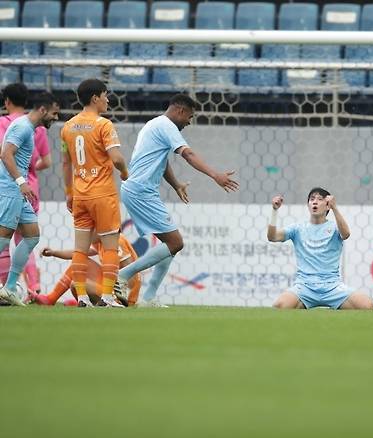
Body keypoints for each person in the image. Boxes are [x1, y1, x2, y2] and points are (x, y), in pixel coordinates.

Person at [113, 94, 239, 307]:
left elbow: (161, 161)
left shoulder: (154, 125)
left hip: (140, 190)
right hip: (140, 190)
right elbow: (188, 155)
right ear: (180, 111)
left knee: (170, 244)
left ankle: (149, 298)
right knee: (176, 242)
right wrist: (215, 175)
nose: (189, 122)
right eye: (190, 116)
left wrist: (176, 184)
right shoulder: (167, 126)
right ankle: (125, 274)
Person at [60, 78, 129, 307]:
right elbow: (117, 158)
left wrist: (69, 193)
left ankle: (81, 297)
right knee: (110, 246)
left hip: (80, 195)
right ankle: (108, 297)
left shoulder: (67, 127)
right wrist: (125, 173)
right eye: (105, 95)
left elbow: (65, 163)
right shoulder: (104, 125)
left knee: (80, 248)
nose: (108, 99)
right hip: (103, 194)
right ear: (95, 98)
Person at [267, 187, 373, 310]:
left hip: (333, 287)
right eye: (312, 199)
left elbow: (346, 234)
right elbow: (272, 237)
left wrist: (335, 208)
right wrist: (274, 211)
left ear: (327, 205)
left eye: (320, 199)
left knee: (368, 306)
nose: (315, 201)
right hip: (305, 287)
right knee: (279, 306)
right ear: (308, 205)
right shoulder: (297, 228)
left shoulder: (335, 227)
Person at [0, 92, 59, 306]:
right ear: (42, 110)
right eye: (54, 113)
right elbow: (6, 154)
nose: (55, 117)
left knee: (32, 235)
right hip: (10, 189)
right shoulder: (22, 127)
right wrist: (20, 182)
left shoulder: (30, 129)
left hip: (19, 190)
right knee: (4, 237)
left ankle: (8, 288)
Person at [31, 233, 141, 306]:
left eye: (89, 227)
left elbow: (132, 279)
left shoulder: (117, 241)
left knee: (76, 284)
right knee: (80, 261)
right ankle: (52, 298)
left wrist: (117, 291)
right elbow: (78, 253)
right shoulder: (101, 241)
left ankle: (103, 302)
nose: (85, 231)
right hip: (111, 287)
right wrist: (54, 253)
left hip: (123, 297)